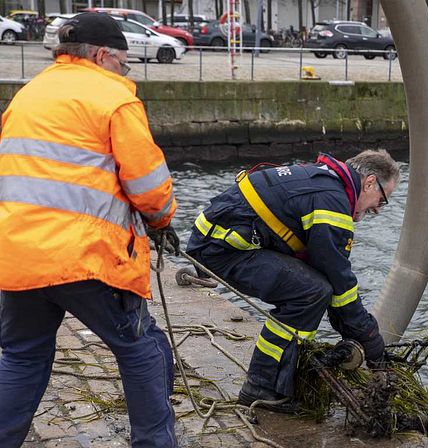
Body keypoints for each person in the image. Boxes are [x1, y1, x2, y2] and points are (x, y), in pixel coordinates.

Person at [0, 13, 179, 447]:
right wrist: (161, 222)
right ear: (102, 55)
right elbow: (150, 186)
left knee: (22, 356)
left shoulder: (29, 95)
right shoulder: (113, 99)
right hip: (86, 257)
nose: (125, 71)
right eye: (124, 62)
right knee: (141, 349)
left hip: (18, 256)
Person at [186, 149, 399, 412]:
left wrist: (358, 333)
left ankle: (275, 378)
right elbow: (340, 286)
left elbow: (330, 273)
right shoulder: (331, 202)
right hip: (222, 250)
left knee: (314, 286)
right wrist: (371, 342)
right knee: (310, 291)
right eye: (383, 198)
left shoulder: (325, 182)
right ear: (369, 183)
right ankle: (262, 386)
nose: (378, 208)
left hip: (217, 240)